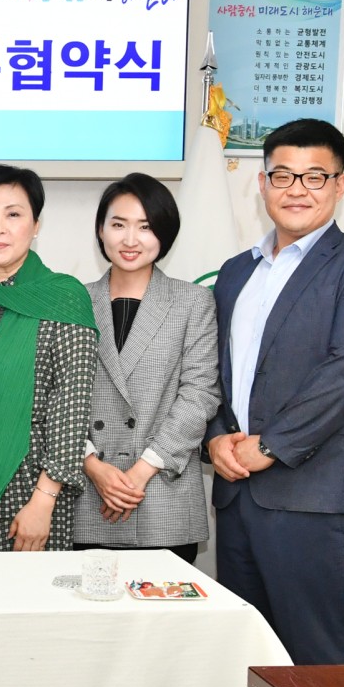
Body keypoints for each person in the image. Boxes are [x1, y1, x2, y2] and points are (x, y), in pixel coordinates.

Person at [206, 118, 344, 664]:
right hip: (238, 493)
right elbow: (216, 370)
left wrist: (270, 446)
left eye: (315, 176)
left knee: (319, 664)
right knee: (247, 659)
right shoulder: (236, 272)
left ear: (341, 184)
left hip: (315, 498)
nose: (297, 189)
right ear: (262, 183)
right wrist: (217, 437)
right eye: (283, 175)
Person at [0, 164, 97, 552]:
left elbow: (71, 408)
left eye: (13, 214)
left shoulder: (65, 298)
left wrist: (43, 501)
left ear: (35, 225)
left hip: (33, 489)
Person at [75, 173, 220, 564]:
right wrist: (93, 466)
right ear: (101, 230)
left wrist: (140, 472)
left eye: (145, 226)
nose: (130, 239)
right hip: (87, 494)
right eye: (118, 224)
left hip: (161, 493)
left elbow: (200, 394)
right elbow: (56, 393)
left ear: (164, 234)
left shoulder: (194, 301)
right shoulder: (73, 300)